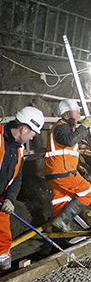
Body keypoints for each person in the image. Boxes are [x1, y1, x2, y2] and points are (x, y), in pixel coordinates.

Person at [0, 107, 44, 270]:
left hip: (1, 198)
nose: (32, 137)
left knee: (3, 234)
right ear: (23, 128)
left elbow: (17, 177)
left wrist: (10, 198)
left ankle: (3, 267)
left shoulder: (20, 149)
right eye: (33, 133)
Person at [45, 99, 91, 232]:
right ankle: (64, 220)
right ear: (67, 113)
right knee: (89, 193)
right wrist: (83, 126)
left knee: (60, 204)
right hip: (63, 172)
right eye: (77, 111)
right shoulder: (61, 126)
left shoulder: (62, 128)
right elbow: (70, 140)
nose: (79, 115)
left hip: (54, 173)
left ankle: (58, 240)